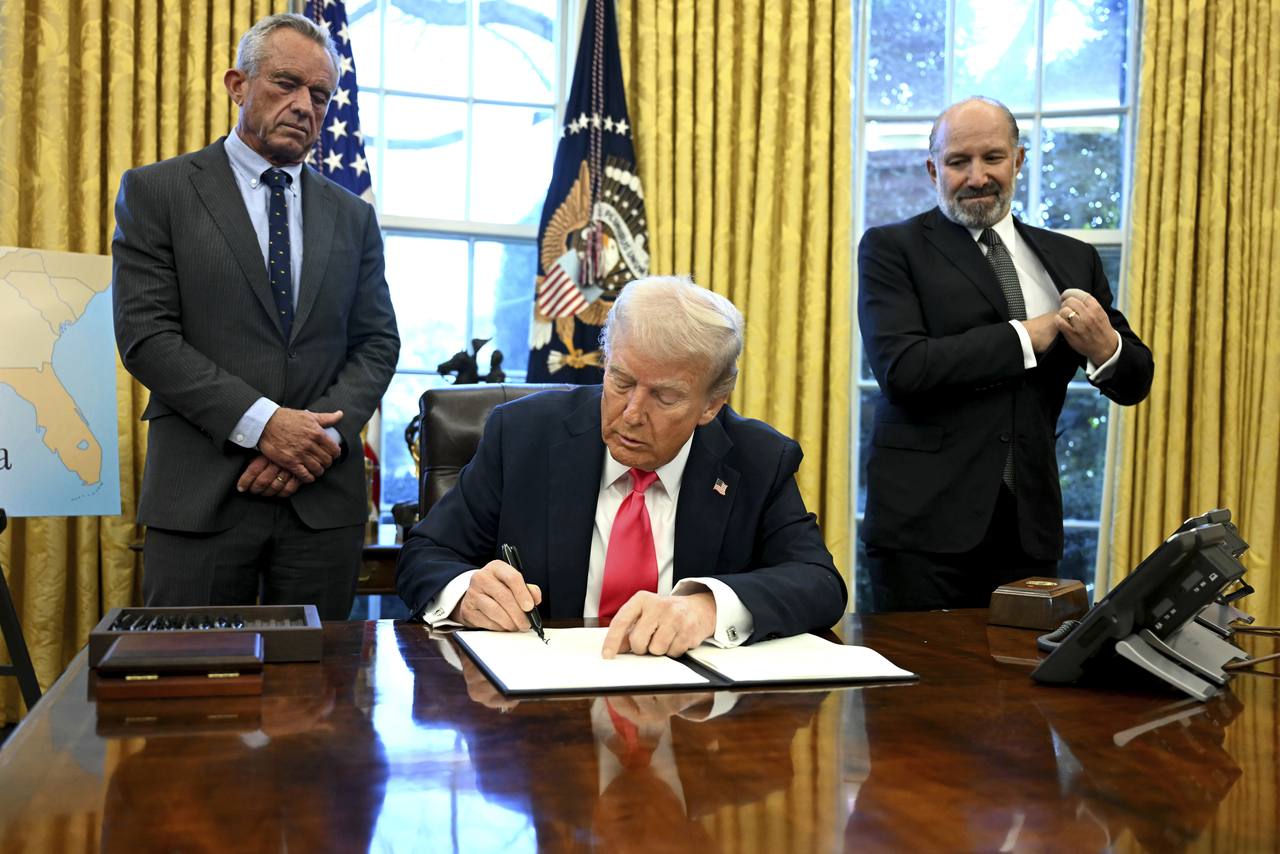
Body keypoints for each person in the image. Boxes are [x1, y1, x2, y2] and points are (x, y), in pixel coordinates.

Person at [112, 14, 399, 620]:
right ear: (238, 84)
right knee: (190, 694)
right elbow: (146, 336)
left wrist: (316, 439)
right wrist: (264, 424)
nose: (304, 106)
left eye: (319, 95)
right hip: (202, 495)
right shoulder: (157, 192)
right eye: (286, 84)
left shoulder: (353, 217)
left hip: (322, 503)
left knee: (317, 703)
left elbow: (377, 342)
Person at [395, 275, 846, 656]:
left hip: (694, 722)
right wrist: (464, 591)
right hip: (539, 713)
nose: (631, 412)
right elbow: (426, 554)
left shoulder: (758, 459)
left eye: (665, 396)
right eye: (621, 380)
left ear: (712, 404)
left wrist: (705, 608)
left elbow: (819, 583)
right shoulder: (523, 436)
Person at [856, 96, 1153, 612]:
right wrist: (1027, 336)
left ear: (1018, 160)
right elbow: (902, 371)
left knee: (1024, 685)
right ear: (933, 169)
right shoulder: (890, 248)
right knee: (919, 691)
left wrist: (1107, 348)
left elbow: (1135, 382)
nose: (977, 177)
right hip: (922, 532)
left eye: (992, 158)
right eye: (957, 162)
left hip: (1029, 529)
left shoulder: (1072, 258)